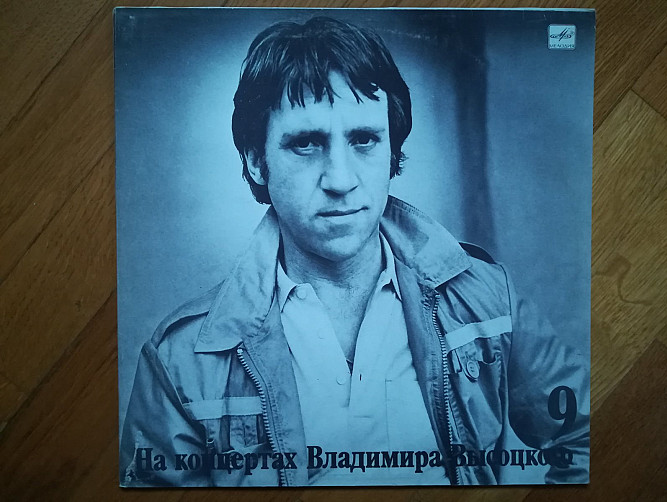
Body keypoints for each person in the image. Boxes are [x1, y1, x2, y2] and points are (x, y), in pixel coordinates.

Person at [120, 16, 589, 487]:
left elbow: (588, 435)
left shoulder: (488, 299)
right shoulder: (180, 360)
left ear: (391, 152)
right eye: (307, 143)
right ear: (257, 161)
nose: (341, 180)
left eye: (364, 139)